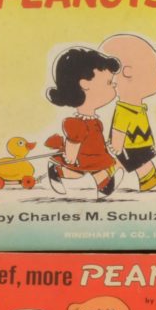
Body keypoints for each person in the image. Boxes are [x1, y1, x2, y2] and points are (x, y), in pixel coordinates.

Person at [45, 47, 122, 198]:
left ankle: (104, 187)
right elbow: (73, 142)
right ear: (85, 84)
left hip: (96, 155)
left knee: (98, 172)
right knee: (77, 173)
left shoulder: (95, 121)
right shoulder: (76, 123)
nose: (114, 85)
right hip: (82, 157)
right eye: (109, 82)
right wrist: (70, 156)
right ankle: (56, 171)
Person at [100, 33, 156, 191]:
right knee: (141, 160)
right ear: (128, 72)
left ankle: (106, 175)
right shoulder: (125, 108)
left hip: (137, 142)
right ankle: (147, 178)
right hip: (130, 145)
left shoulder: (135, 106)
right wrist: (117, 145)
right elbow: (119, 127)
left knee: (125, 161)